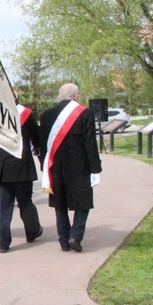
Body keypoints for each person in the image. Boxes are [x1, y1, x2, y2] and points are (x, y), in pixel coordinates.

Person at [39, 83, 102, 252]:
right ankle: (76, 235)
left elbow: (42, 144)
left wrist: (44, 166)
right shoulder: (85, 114)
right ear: (76, 97)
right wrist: (95, 168)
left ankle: (63, 239)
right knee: (83, 203)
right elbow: (90, 143)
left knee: (60, 204)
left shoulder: (46, 115)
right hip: (79, 166)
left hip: (55, 166)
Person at [0, 103, 43, 253]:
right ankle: (32, 232)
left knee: (1, 207)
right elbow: (37, 137)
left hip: (0, 165)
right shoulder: (25, 114)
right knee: (25, 202)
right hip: (22, 165)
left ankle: (2, 243)